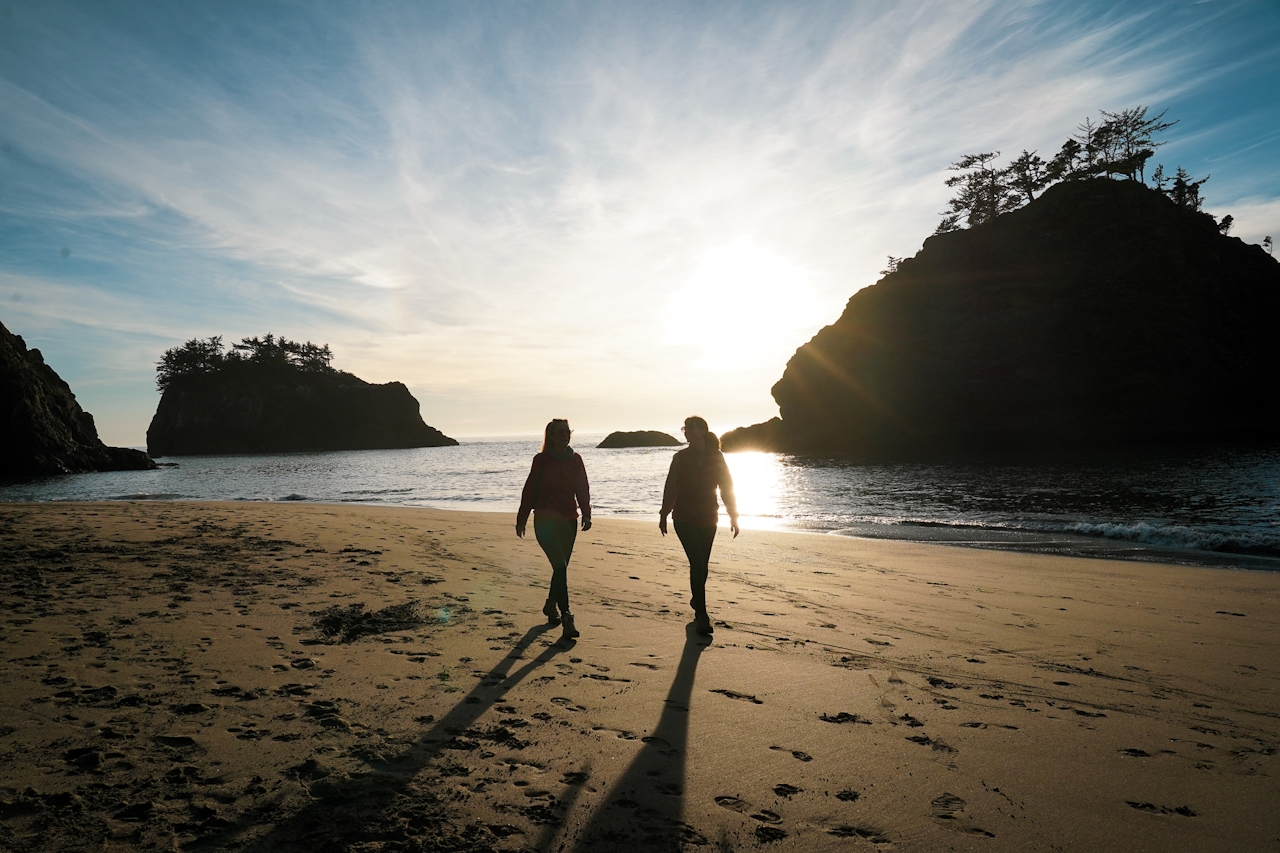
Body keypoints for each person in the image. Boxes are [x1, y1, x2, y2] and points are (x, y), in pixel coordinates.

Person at [659, 416, 738, 636]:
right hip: (684, 517)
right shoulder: (680, 458)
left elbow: (726, 487)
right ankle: (701, 614)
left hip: (708, 517)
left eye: (692, 427)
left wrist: (733, 514)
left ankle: (696, 599)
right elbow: (671, 486)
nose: (687, 432)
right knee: (697, 562)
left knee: (702, 564)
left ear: (703, 430)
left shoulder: (717, 457)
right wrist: (664, 513)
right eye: (685, 428)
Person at [516, 418, 592, 641]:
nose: (564, 435)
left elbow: (582, 487)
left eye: (567, 431)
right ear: (551, 435)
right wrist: (521, 519)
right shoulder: (542, 460)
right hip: (545, 522)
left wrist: (586, 513)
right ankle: (567, 616)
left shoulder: (575, 459)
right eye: (560, 432)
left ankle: (551, 605)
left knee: (561, 567)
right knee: (559, 565)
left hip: (569, 520)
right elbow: (529, 489)